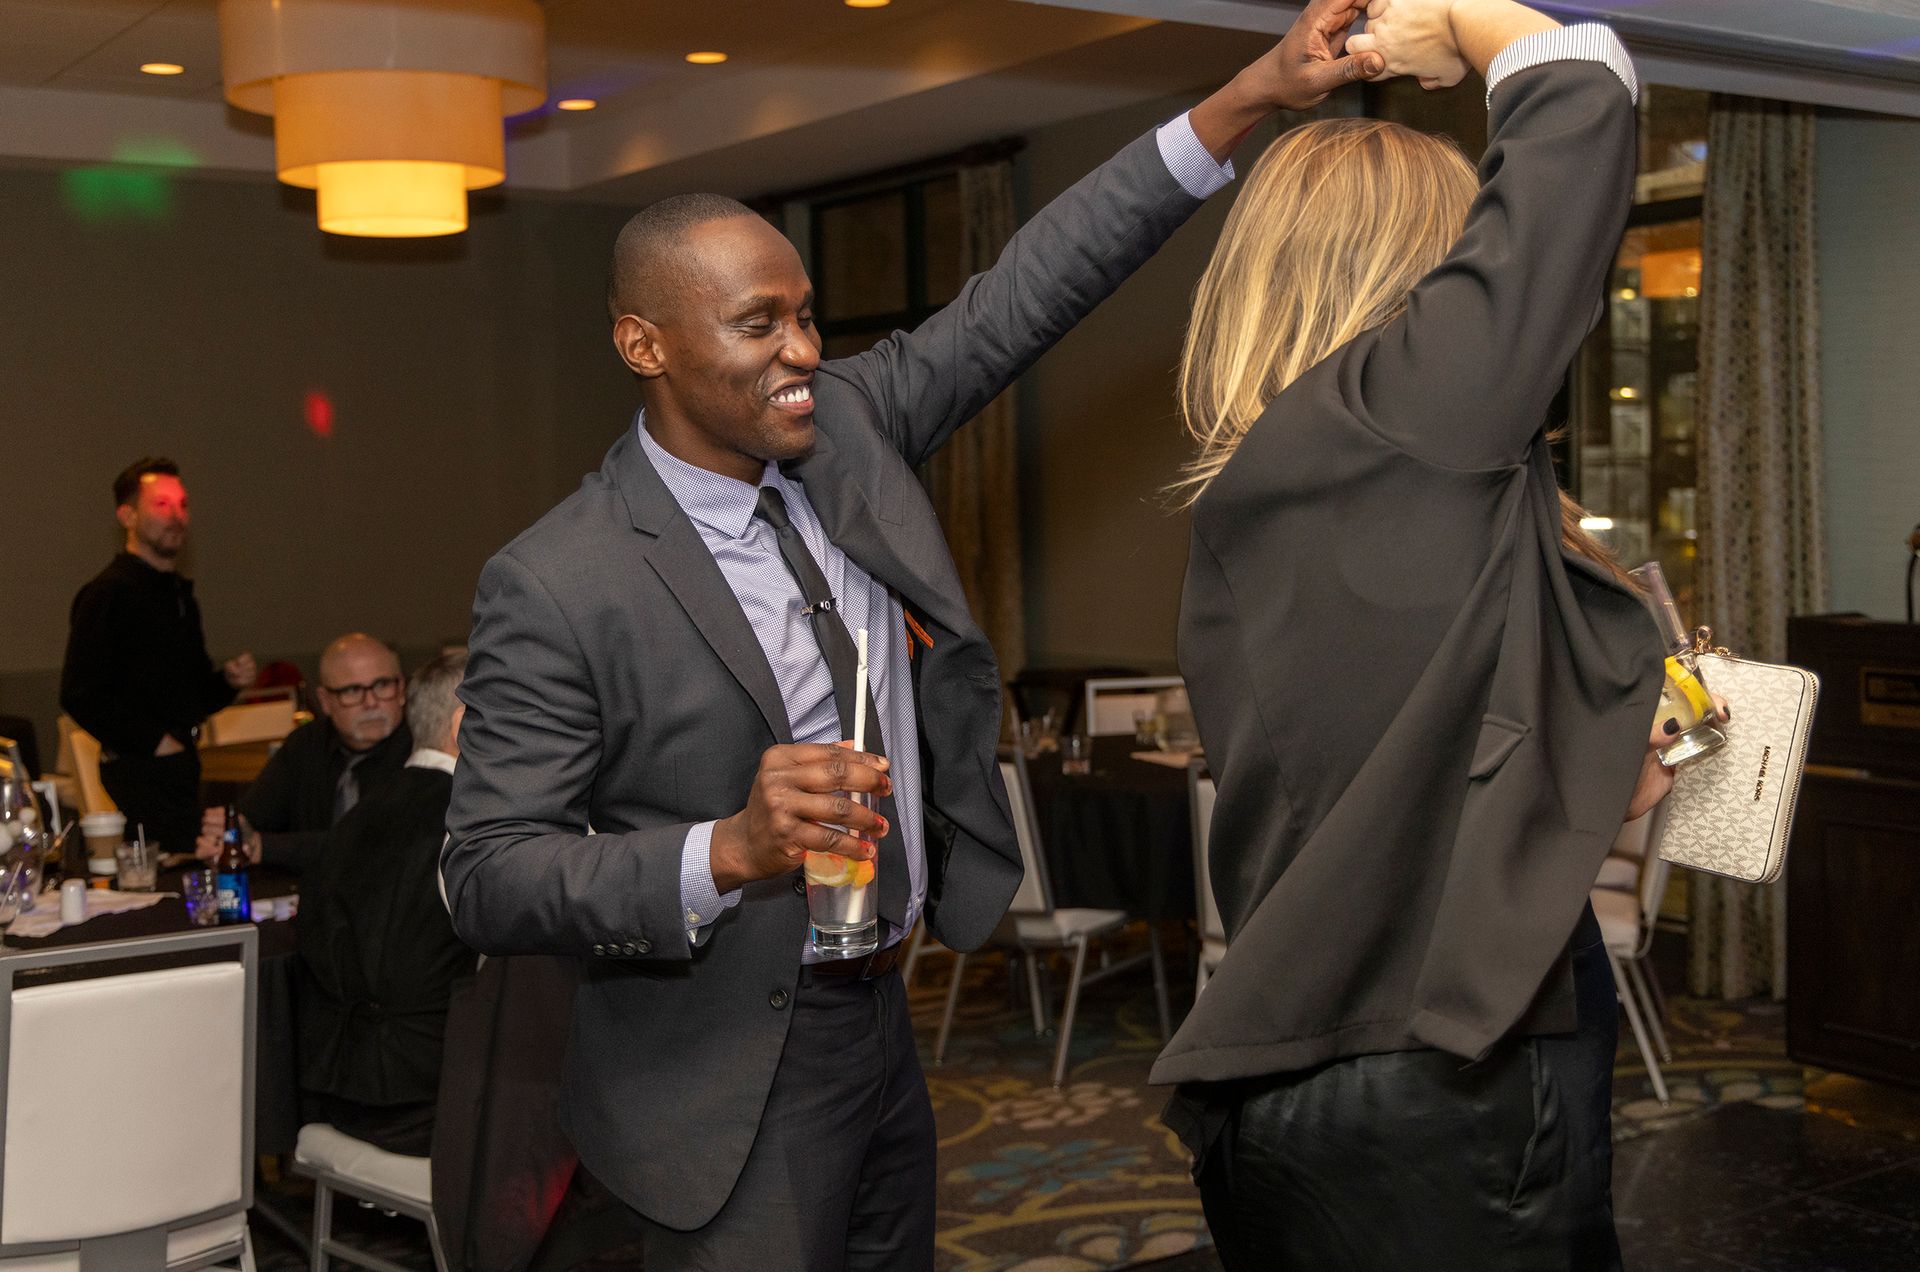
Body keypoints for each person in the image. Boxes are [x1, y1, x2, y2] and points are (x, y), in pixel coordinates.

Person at [439, 5, 1383, 1267]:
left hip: (886, 1018)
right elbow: (488, 876)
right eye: (759, 324)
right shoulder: (558, 580)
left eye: (807, 315)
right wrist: (726, 849)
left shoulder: (848, 428)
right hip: (718, 1072)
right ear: (643, 344)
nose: (803, 352)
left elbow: (1033, 286)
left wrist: (1253, 91)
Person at [1150, 1, 1732, 1267]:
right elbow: (1580, 94)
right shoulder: (1380, 429)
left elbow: (1398, 762)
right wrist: (1464, 19)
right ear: (1419, 280)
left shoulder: (1292, 489)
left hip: (1343, 1049)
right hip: (1433, 1084)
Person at [296, 649, 476, 1157]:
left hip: (337, 1094)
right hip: (431, 1106)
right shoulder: (471, 827)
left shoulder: (355, 817)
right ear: (464, 726)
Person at [60, 457, 256, 854]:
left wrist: (227, 682)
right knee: (173, 870)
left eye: (182, 505)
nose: (177, 516)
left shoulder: (178, 595)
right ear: (128, 516)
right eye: (162, 504)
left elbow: (192, 696)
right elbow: (79, 693)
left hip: (180, 766)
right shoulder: (109, 594)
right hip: (140, 772)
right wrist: (154, 741)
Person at [198, 632, 412, 874]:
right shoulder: (307, 743)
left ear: (401, 689)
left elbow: (374, 846)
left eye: (382, 685)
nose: (371, 702)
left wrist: (264, 847)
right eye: (352, 691)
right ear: (325, 701)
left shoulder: (422, 750)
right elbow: (254, 818)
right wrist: (226, 836)